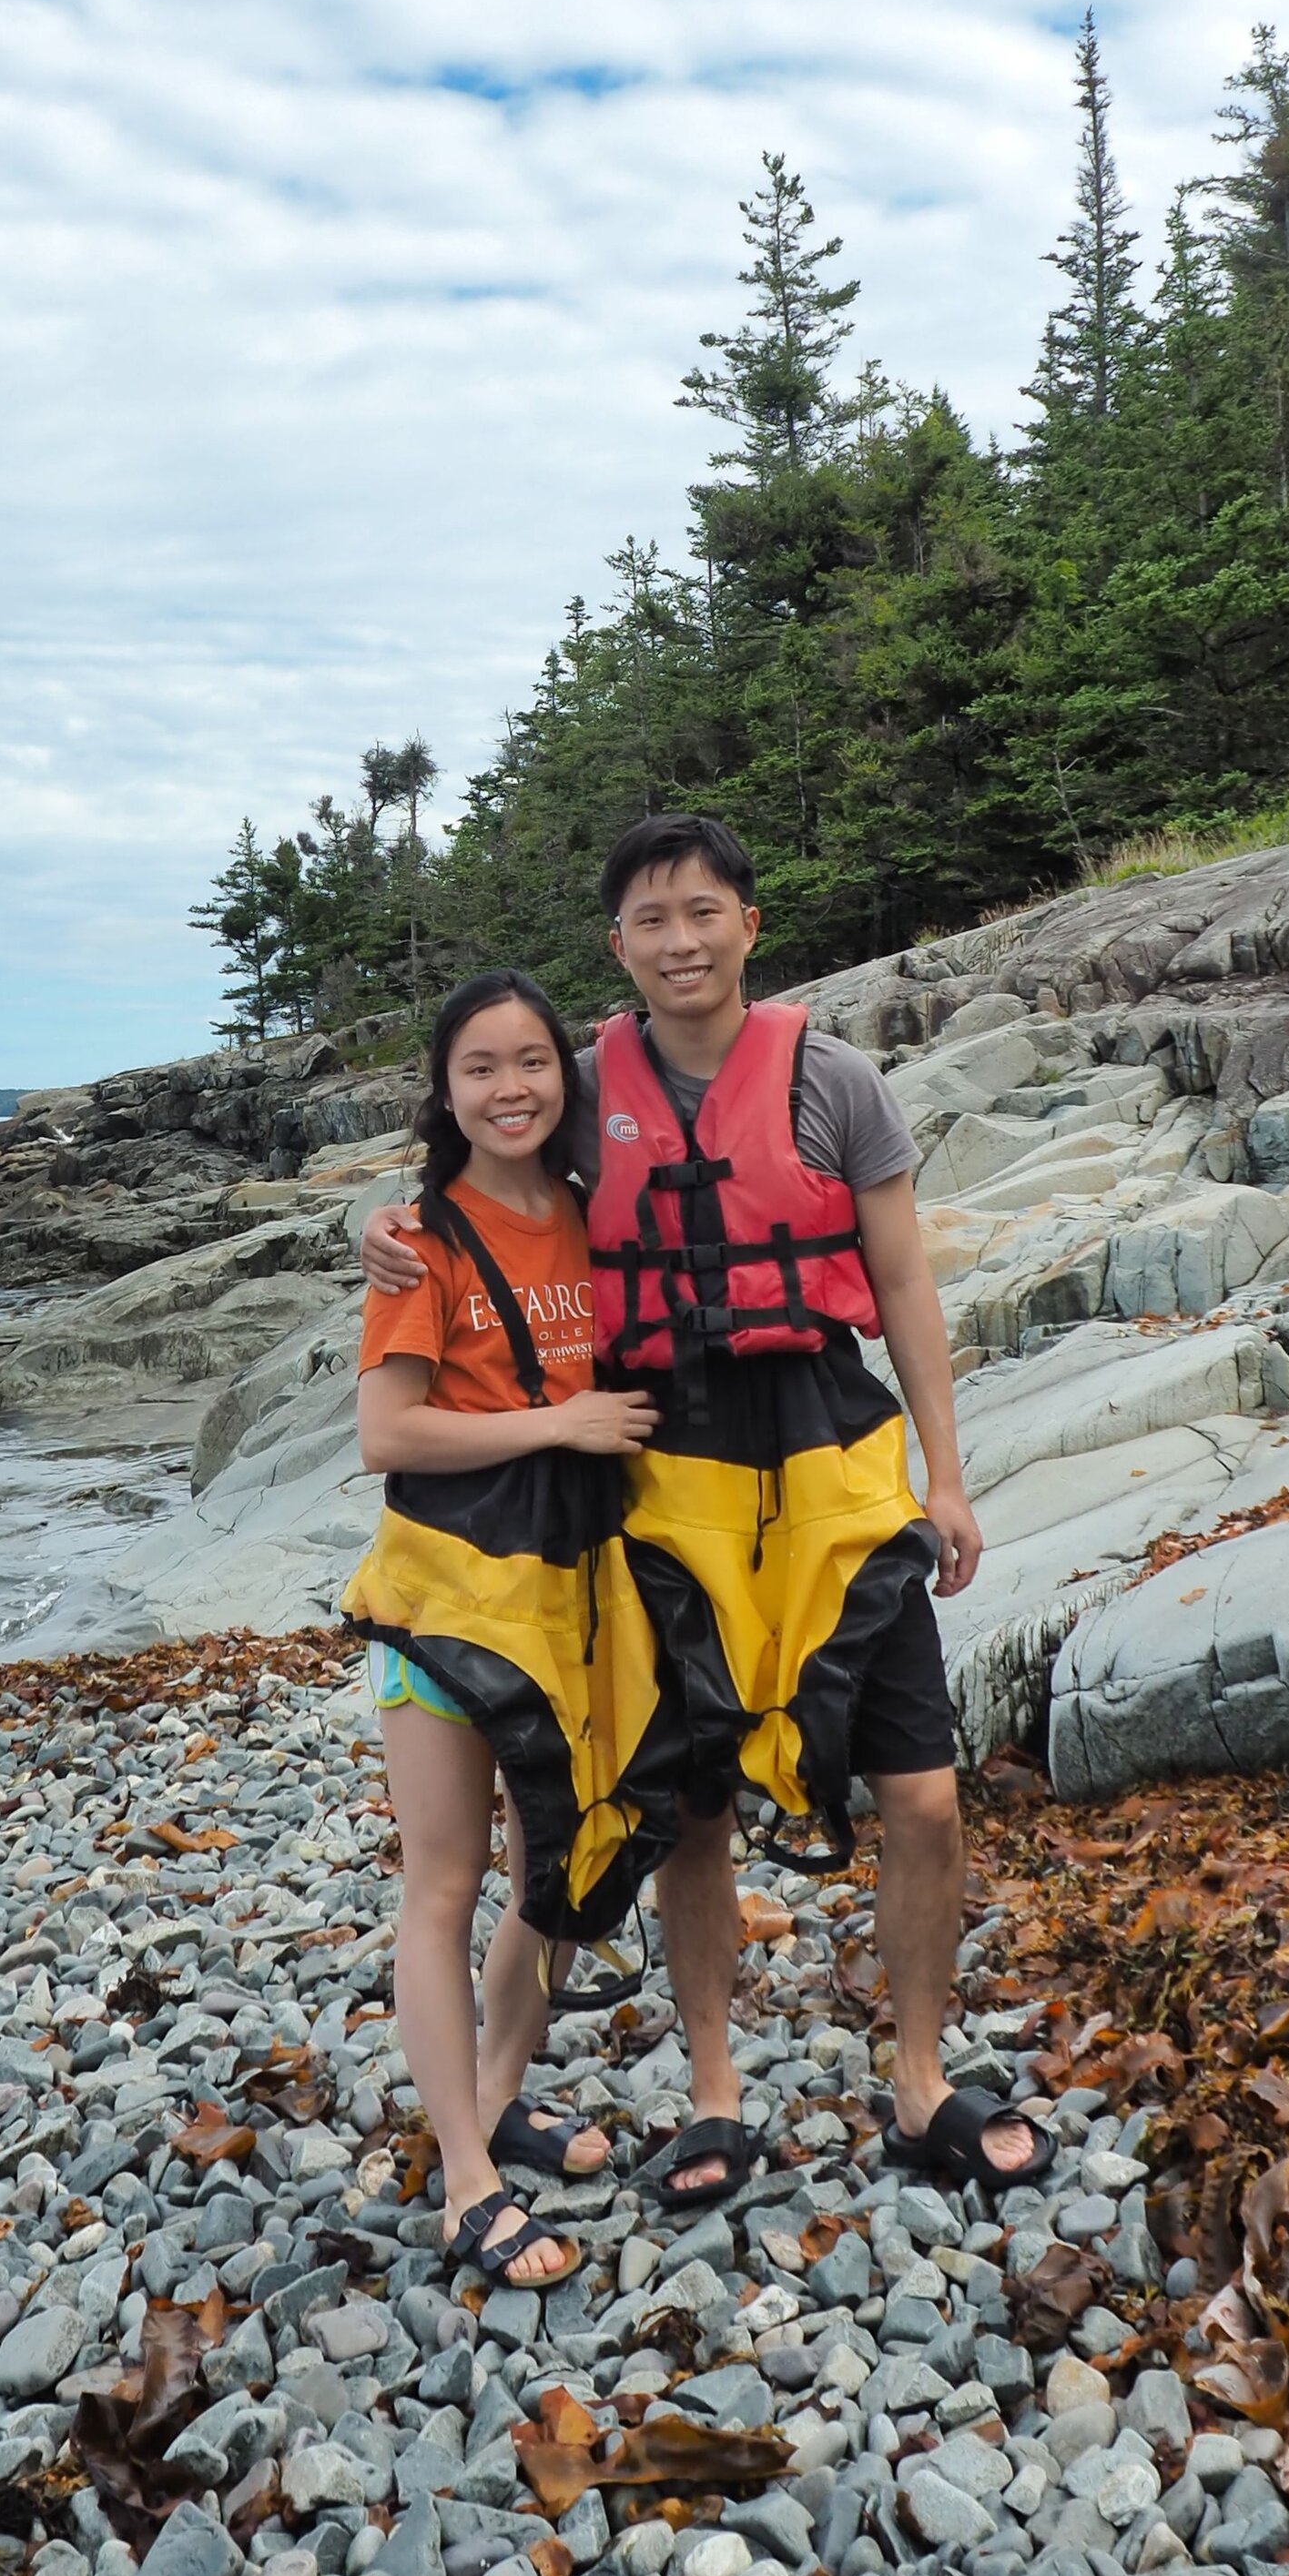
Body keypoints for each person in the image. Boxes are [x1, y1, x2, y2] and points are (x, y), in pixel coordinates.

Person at [360, 818, 1050, 2207]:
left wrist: (951, 1474)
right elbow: (476, 1178)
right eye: (651, 921)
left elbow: (905, 1284)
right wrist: (380, 1229)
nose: (681, 941)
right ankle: (715, 2092)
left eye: (704, 913)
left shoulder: (836, 1081)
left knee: (919, 1795)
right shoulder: (578, 1089)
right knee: (687, 1815)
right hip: (661, 1483)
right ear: (617, 946)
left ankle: (920, 2082)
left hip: (833, 1465)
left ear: (749, 922)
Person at [340, 969, 685, 2288]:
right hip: (438, 1600)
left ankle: (491, 2098)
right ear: (444, 1092)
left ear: (566, 1076)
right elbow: (387, 1431)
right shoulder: (417, 1243)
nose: (510, 1089)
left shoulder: (599, 1220)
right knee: (442, 1881)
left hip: (568, 1596)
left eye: (532, 1062)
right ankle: (467, 2186)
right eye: (479, 1067)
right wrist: (560, 1421)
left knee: (550, 1870)